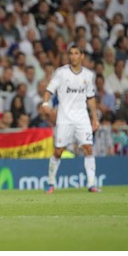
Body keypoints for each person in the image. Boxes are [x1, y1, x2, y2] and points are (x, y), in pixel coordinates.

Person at [41, 44, 101, 193]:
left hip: (82, 117)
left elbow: (91, 98)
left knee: (88, 148)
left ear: (82, 56)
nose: (73, 56)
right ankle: (51, 183)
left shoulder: (88, 75)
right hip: (64, 117)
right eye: (71, 53)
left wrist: (94, 118)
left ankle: (91, 184)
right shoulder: (61, 73)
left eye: (76, 53)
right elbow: (49, 90)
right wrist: (45, 103)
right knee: (58, 151)